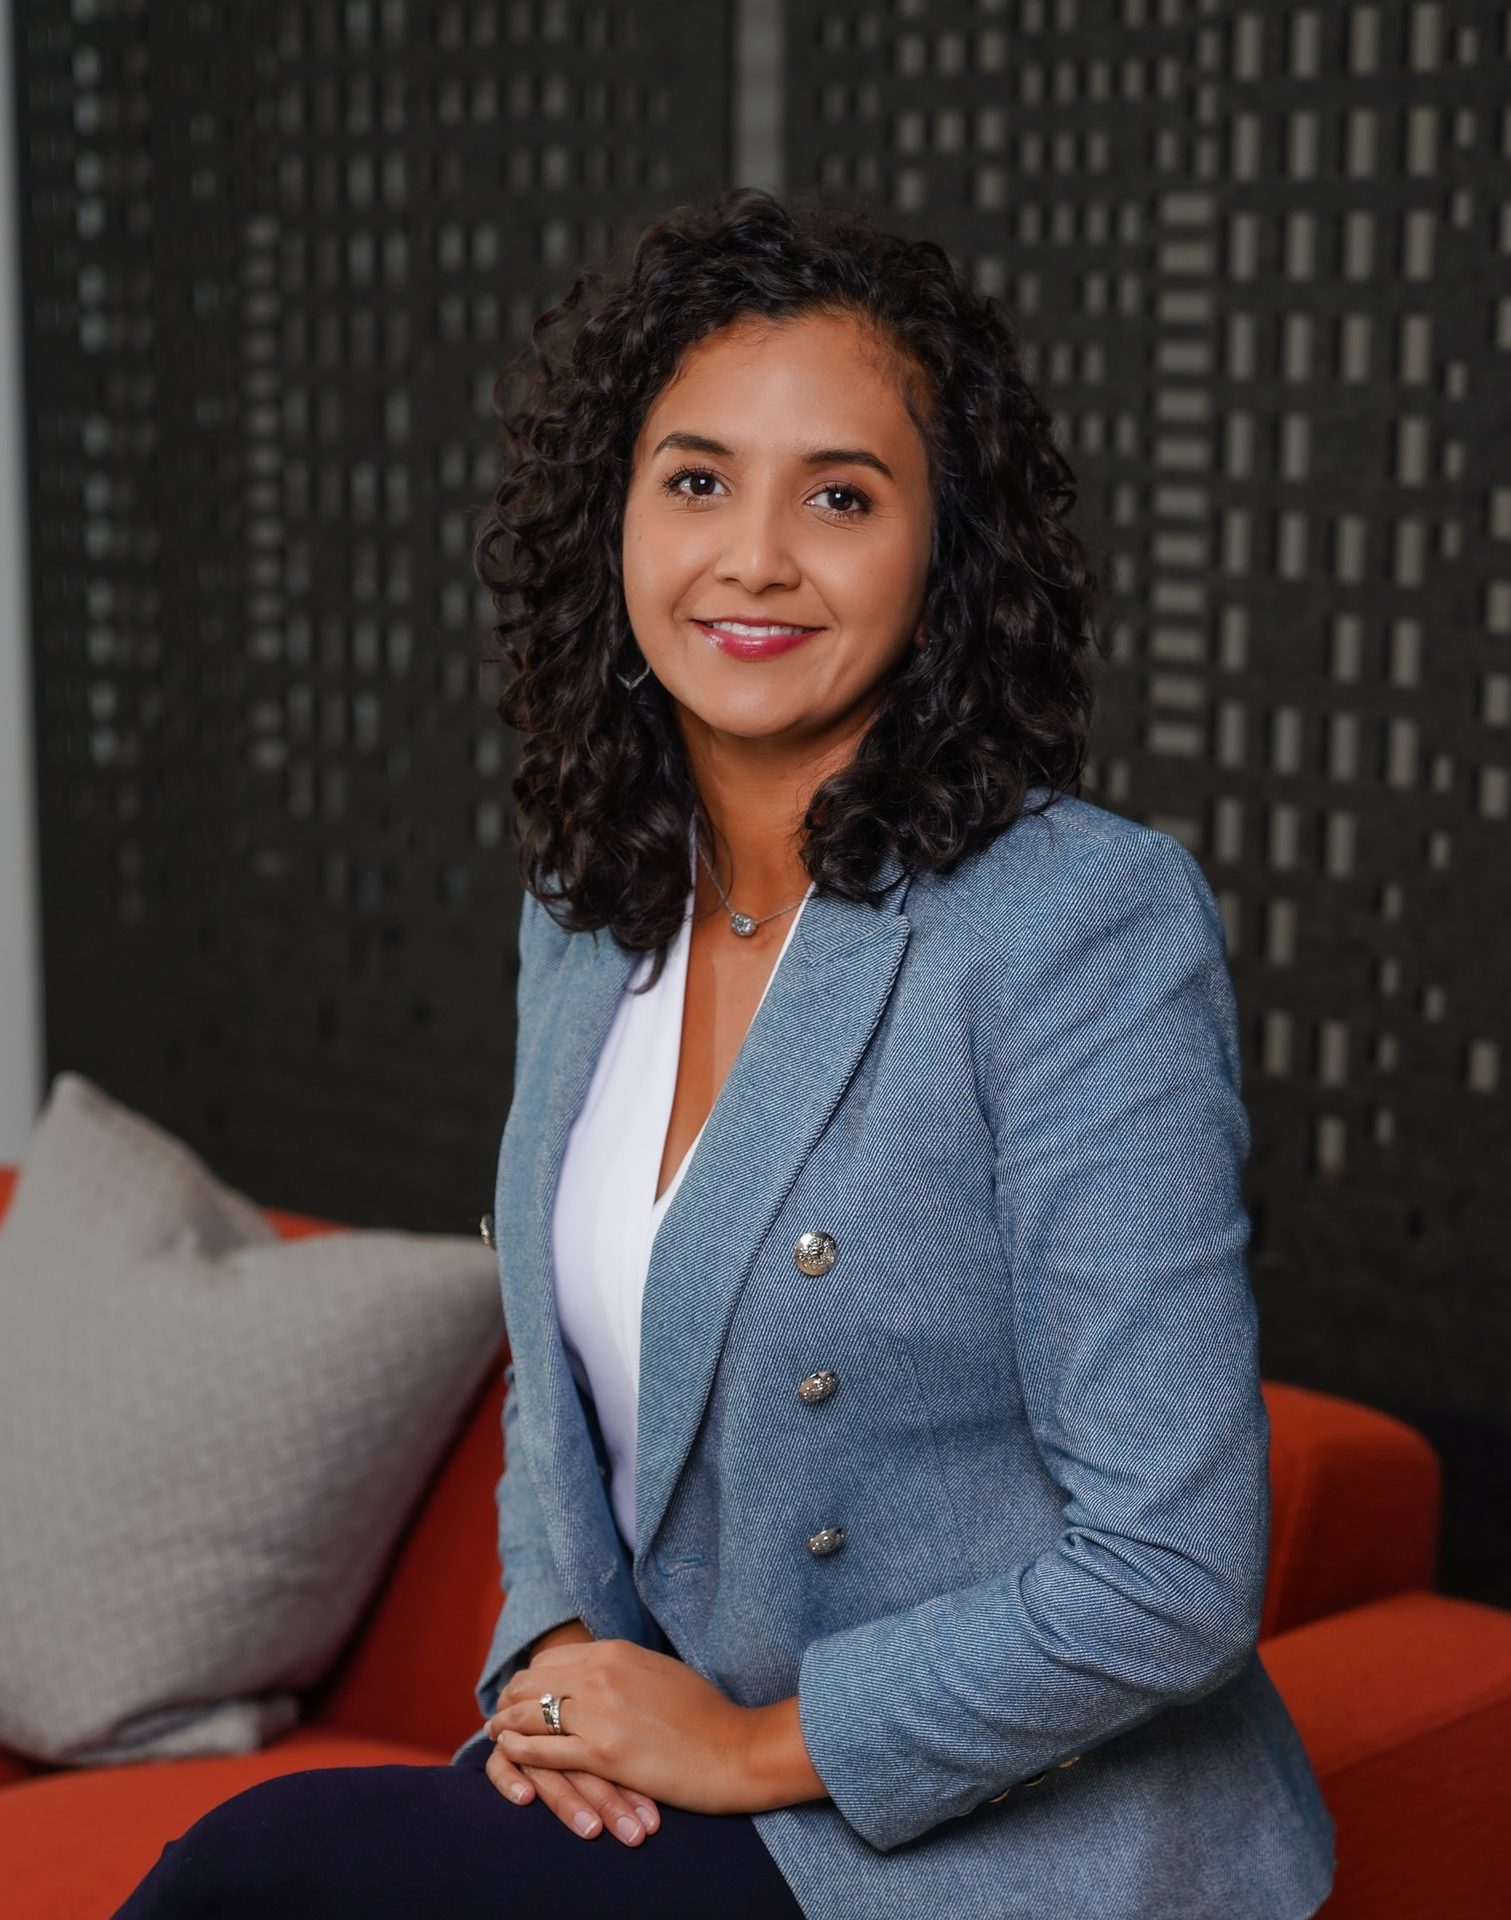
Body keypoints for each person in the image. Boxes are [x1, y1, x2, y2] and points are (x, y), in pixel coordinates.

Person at [115, 187, 1335, 1919]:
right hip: (668, 1785)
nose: (754, 555)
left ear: (945, 551)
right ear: (610, 519)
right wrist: (548, 1659)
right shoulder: (590, 899)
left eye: (840, 495)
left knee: (262, 1877)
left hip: (981, 1839)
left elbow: (1174, 1571)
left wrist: (745, 1745)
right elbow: (564, 1384)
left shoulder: (1077, 924)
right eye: (697, 481)